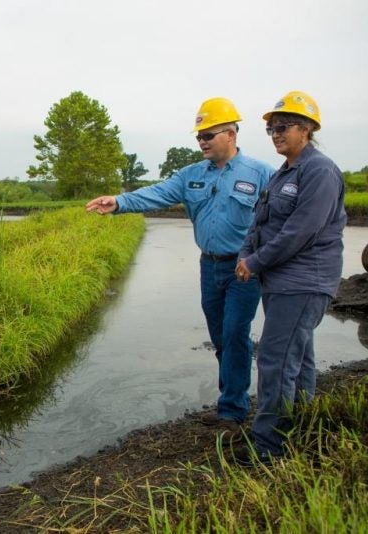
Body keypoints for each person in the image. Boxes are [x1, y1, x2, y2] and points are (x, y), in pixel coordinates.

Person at [86, 97, 273, 431]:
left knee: (234, 334)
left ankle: (232, 409)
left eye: (208, 135)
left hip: (244, 269)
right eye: (199, 136)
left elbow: (283, 217)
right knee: (219, 336)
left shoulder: (260, 174)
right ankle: (231, 397)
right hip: (209, 267)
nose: (201, 141)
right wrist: (118, 202)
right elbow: (155, 194)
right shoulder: (190, 176)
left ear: (230, 134)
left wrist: (268, 257)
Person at [234, 90, 347, 465]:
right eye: (270, 128)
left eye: (282, 127)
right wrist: (245, 256)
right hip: (282, 283)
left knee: (275, 359)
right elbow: (259, 221)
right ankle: (300, 431)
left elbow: (301, 232)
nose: (275, 134)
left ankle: (269, 447)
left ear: (307, 128)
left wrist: (257, 262)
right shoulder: (283, 173)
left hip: (304, 281)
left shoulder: (320, 171)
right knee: (297, 360)